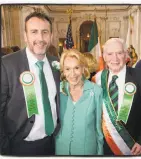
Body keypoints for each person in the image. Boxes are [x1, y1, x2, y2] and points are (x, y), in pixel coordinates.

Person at [0, 12, 60, 156]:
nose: (40, 38)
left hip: (52, 143)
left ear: (51, 36)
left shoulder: (55, 64)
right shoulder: (7, 64)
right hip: (19, 145)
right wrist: (4, 148)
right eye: (34, 32)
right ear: (25, 36)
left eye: (45, 32)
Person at [95, 38, 141, 156]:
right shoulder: (97, 79)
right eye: (110, 54)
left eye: (119, 53)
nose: (114, 59)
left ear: (126, 55)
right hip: (105, 147)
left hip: (134, 146)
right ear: (104, 56)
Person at [55, 49, 104, 155]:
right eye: (67, 69)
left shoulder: (96, 91)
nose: (72, 74)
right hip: (61, 150)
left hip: (87, 151)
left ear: (83, 68)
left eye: (76, 68)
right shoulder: (58, 90)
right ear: (63, 71)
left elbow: (98, 129)